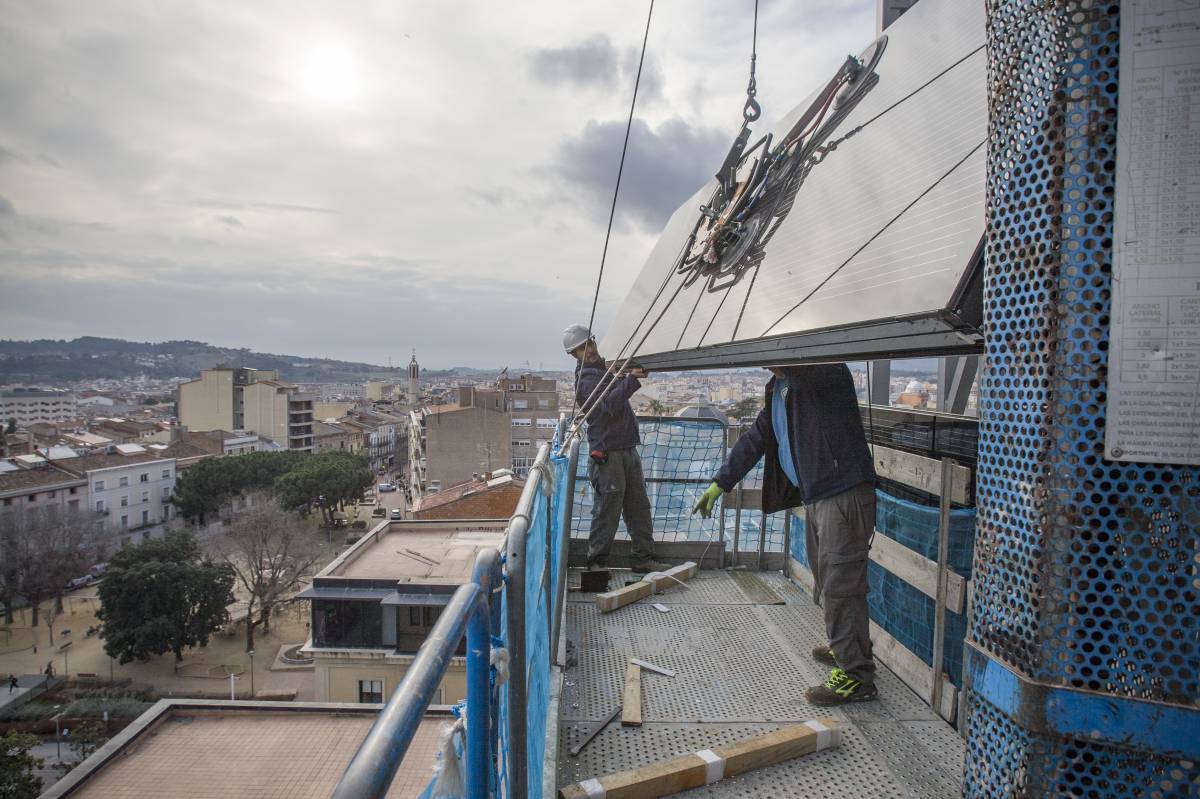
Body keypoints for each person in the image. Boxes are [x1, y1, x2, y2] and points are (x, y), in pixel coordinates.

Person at [692, 364, 877, 705]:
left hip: (843, 493)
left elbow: (817, 365)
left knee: (841, 583)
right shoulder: (778, 387)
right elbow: (757, 438)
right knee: (828, 579)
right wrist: (722, 483)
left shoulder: (824, 372)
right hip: (818, 495)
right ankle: (848, 649)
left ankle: (856, 675)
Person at [563, 324, 667, 574]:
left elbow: (613, 390)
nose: (588, 350)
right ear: (574, 355)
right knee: (607, 510)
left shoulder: (603, 371)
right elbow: (609, 404)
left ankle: (643, 558)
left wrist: (626, 376)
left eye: (589, 344)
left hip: (625, 448)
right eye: (581, 349)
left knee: (638, 506)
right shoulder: (586, 380)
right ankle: (596, 563)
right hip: (608, 454)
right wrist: (631, 379)